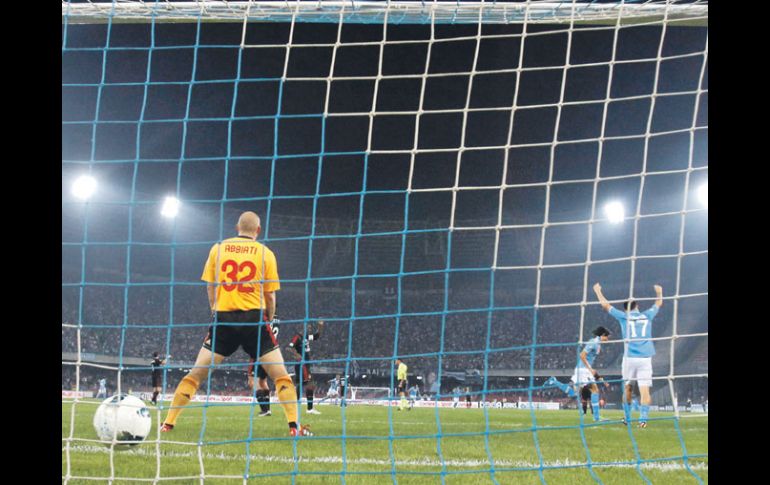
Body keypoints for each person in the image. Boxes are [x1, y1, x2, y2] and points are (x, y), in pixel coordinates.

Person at [160, 211, 311, 437]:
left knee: (195, 375)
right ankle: (293, 426)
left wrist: (215, 309)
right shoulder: (265, 253)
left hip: (224, 320)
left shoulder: (218, 248)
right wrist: (268, 317)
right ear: (258, 231)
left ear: (236, 227)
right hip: (253, 320)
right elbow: (270, 295)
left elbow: (210, 286)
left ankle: (168, 423)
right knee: (280, 375)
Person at [593, 283, 663, 428]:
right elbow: (658, 303)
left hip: (630, 358)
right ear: (637, 305)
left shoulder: (623, 316)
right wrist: (659, 292)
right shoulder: (647, 315)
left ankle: (627, 418)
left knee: (628, 388)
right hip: (645, 359)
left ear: (625, 309)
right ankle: (643, 420)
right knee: (645, 391)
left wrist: (598, 291)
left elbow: (606, 306)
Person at [545, 326, 611, 422]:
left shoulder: (597, 343)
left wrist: (600, 378)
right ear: (603, 335)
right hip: (583, 370)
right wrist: (589, 368)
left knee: (575, 393)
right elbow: (582, 355)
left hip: (582, 369)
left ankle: (554, 382)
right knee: (595, 391)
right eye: (607, 337)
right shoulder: (594, 343)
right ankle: (596, 418)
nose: (608, 339)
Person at [287, 321, 324, 415]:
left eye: (310, 327)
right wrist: (297, 355)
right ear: (302, 327)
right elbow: (290, 347)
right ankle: (309, 408)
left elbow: (317, 336)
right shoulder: (297, 337)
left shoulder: (306, 337)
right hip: (301, 364)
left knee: (302, 385)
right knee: (309, 384)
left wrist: (320, 326)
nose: (310, 329)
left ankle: (295, 407)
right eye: (308, 327)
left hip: (306, 364)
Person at [248, 320, 281, 417]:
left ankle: (264, 409)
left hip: (259, 353)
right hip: (271, 353)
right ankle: (268, 410)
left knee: (252, 382)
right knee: (262, 382)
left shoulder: (261, 319)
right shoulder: (277, 321)